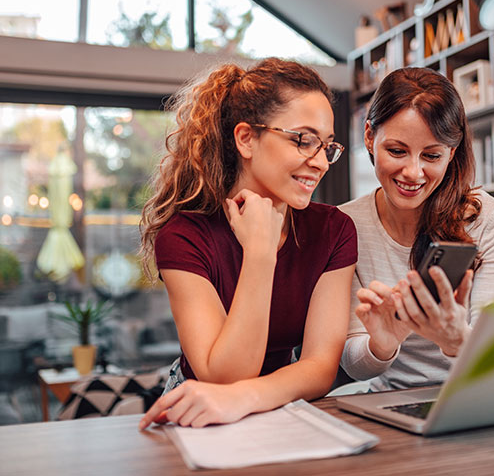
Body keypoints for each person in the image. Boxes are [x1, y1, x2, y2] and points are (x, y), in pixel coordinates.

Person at [137, 58, 357, 429]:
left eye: (327, 146)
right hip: (201, 412)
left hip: (280, 402)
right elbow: (222, 379)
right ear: (246, 138)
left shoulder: (333, 230)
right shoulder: (184, 235)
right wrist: (260, 253)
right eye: (303, 140)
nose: (320, 162)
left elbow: (320, 368)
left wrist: (251, 397)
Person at [339, 67, 494, 392]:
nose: (413, 172)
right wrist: (382, 343)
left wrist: (456, 339)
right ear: (369, 137)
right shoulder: (345, 226)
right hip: (389, 401)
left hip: (475, 396)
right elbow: (354, 366)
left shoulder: (488, 219)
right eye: (396, 151)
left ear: (452, 152)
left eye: (432, 155)